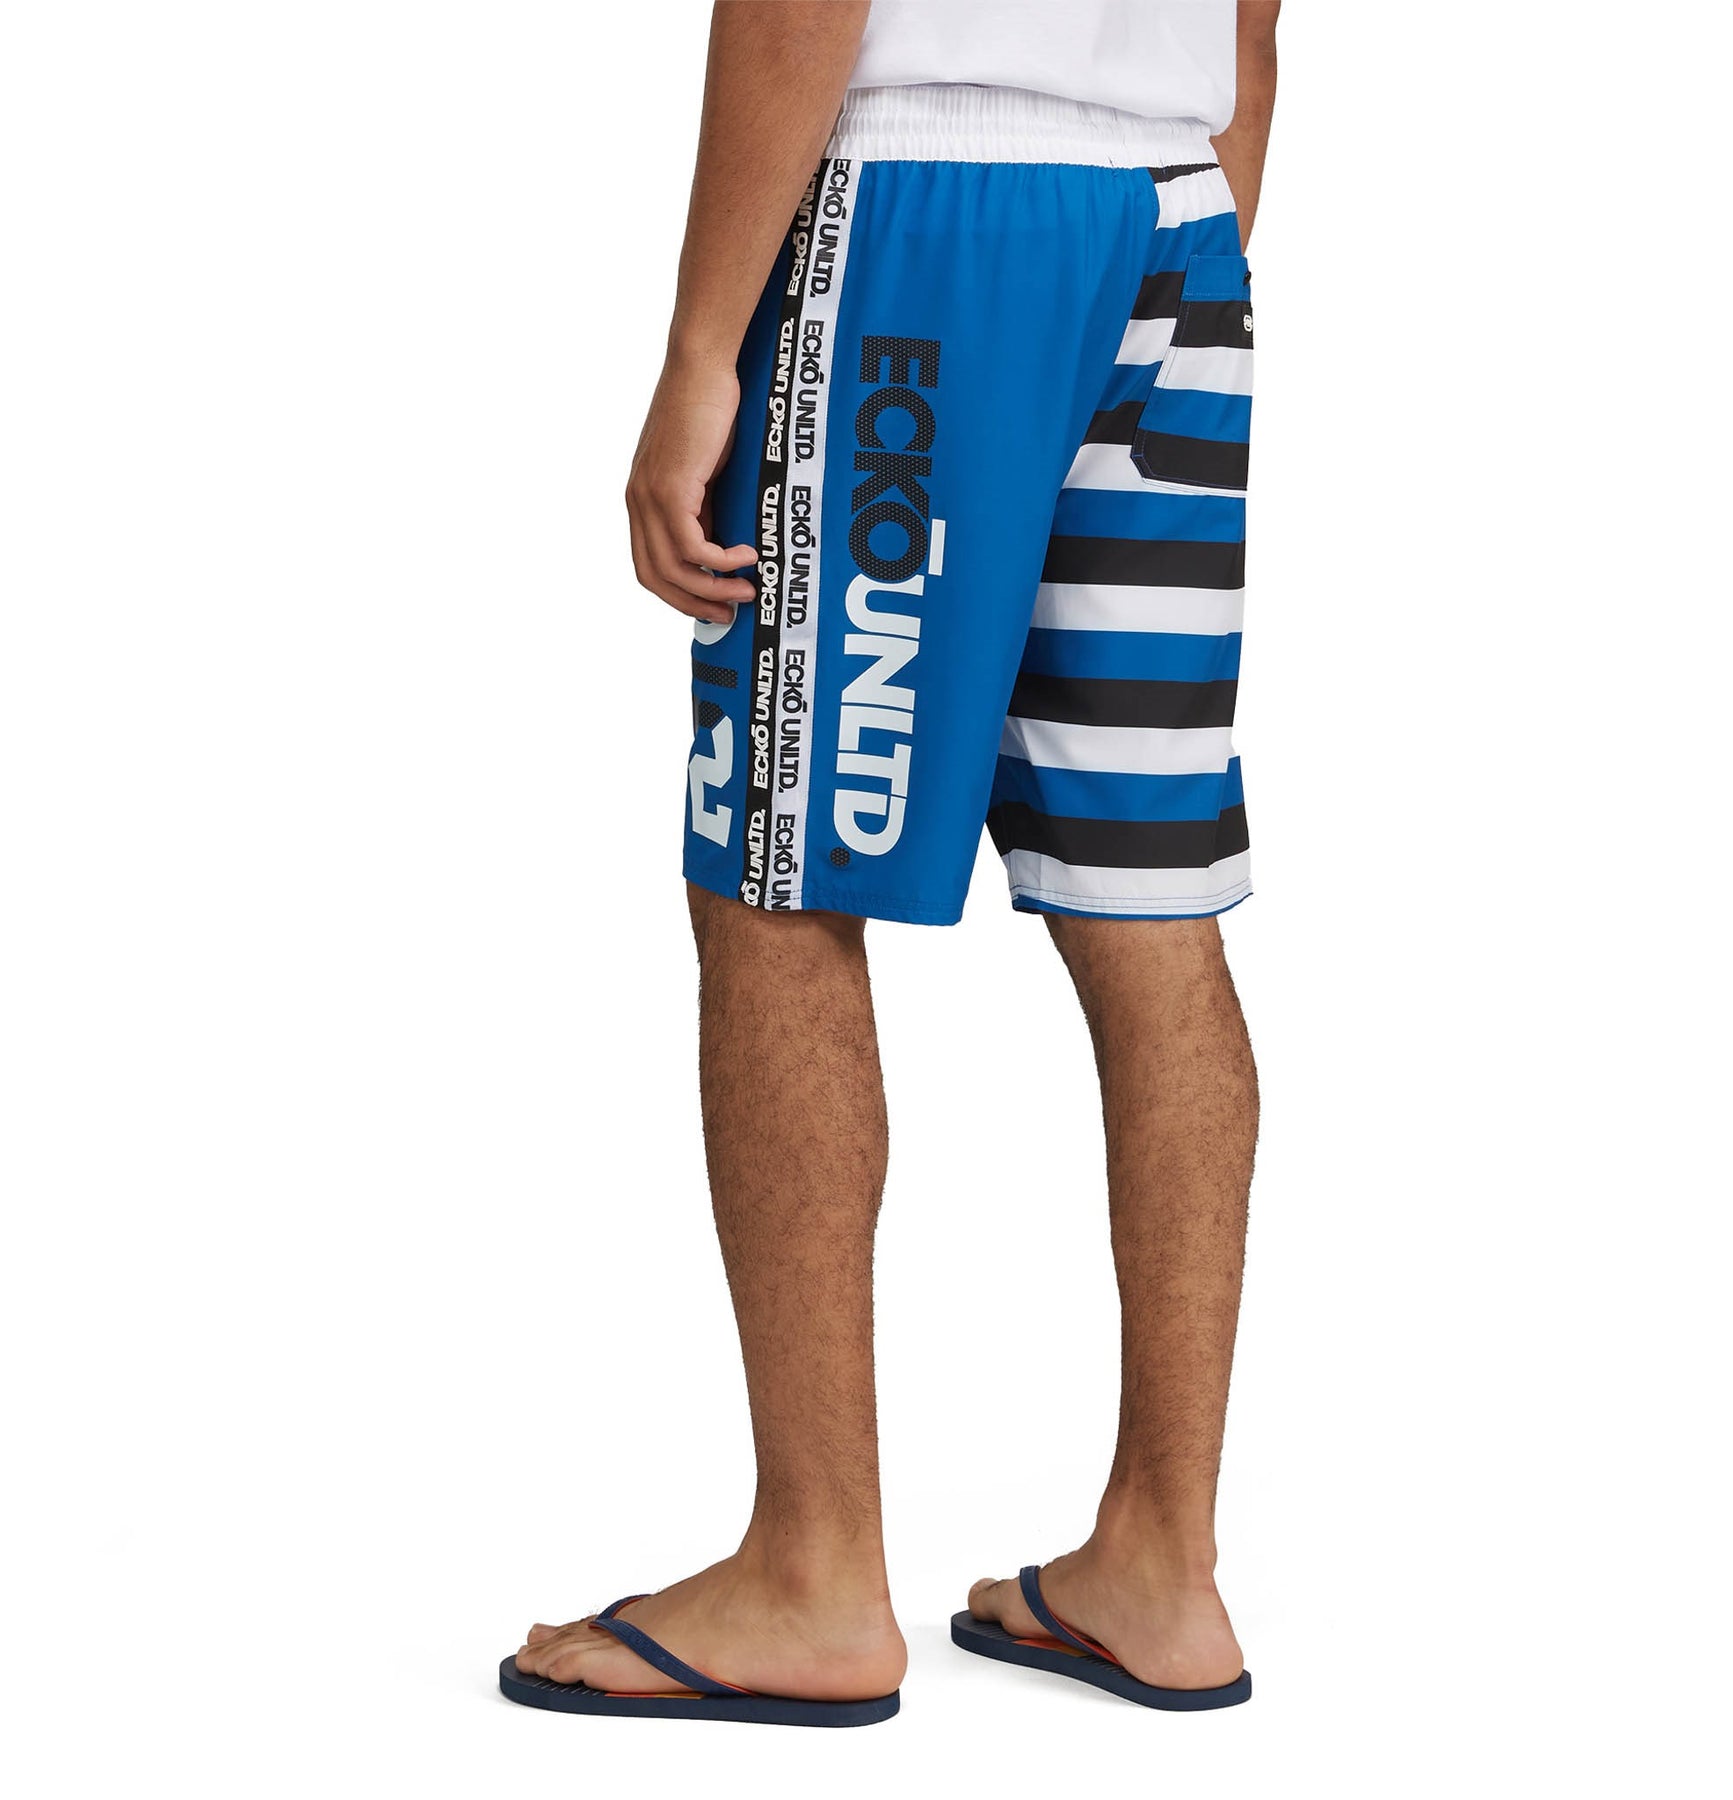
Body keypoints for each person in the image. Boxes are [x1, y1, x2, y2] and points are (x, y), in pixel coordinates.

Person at [501, 0, 1280, 1724]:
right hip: (1180, 218)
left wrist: (700, 350)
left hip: (932, 201)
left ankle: (814, 1573)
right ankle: (1164, 1564)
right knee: (1147, 901)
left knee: (780, 866)